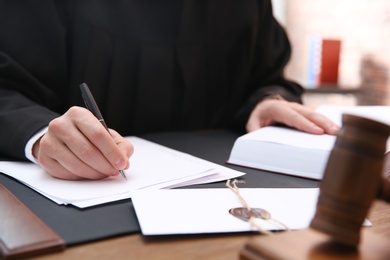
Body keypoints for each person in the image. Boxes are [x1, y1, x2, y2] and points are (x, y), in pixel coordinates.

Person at [0, 0, 339, 180]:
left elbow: (269, 74)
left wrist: (265, 101)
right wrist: (41, 133)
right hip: (85, 207)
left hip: (226, 196)